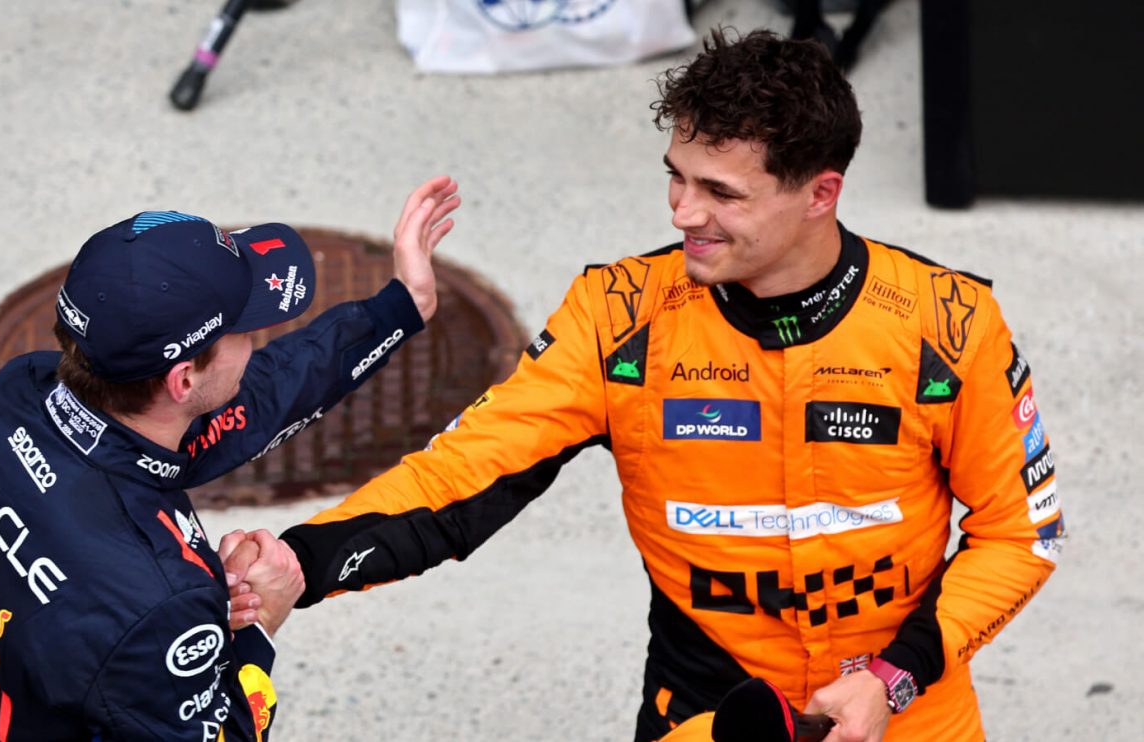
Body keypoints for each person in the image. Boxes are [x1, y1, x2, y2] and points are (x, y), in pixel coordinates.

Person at [270, 30, 1064, 741]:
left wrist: (893, 679)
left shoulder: (949, 320)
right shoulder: (618, 317)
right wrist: (300, 561)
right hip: (710, 715)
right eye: (676, 177)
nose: (684, 212)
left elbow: (1021, 532)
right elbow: (465, 474)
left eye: (722, 193)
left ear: (821, 193)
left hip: (908, 709)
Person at [0, 176, 460, 741]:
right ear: (182, 380)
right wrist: (260, 626)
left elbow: (259, 397)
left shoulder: (20, 392)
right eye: (244, 329)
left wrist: (403, 305)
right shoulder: (157, 601)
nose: (257, 340)